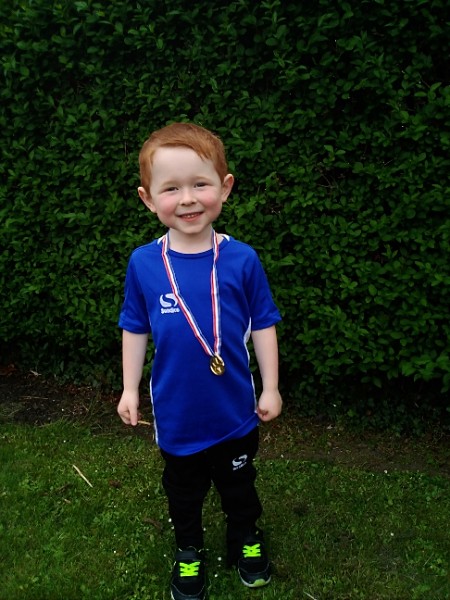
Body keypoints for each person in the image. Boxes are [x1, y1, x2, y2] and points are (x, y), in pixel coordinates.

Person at [117, 122, 282, 600]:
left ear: (224, 188)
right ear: (148, 199)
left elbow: (264, 323)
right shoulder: (144, 264)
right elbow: (135, 326)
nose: (187, 199)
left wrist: (271, 387)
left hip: (234, 414)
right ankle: (188, 549)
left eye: (200, 184)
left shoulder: (242, 259)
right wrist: (129, 388)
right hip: (178, 417)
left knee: (239, 486)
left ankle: (245, 536)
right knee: (183, 493)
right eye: (171, 188)